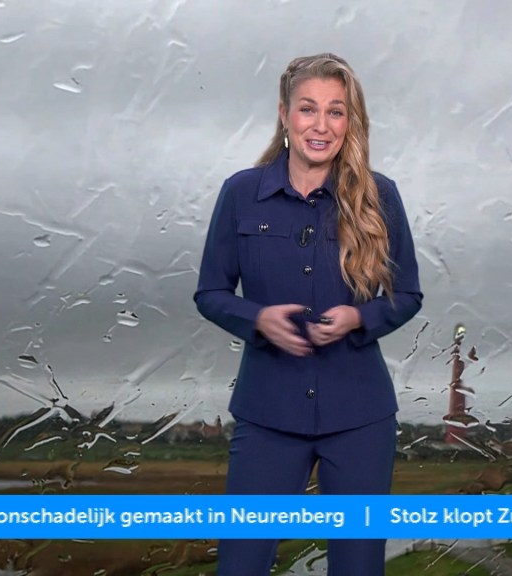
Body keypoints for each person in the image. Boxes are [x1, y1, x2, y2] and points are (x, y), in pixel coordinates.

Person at [193, 53, 423, 575]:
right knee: (241, 565)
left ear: (350, 122)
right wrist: (257, 319)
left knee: (359, 567)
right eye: (308, 109)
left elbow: (407, 294)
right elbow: (210, 292)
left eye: (336, 111)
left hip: (360, 416)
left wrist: (359, 319)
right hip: (267, 414)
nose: (321, 125)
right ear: (284, 114)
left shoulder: (380, 196)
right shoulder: (240, 193)